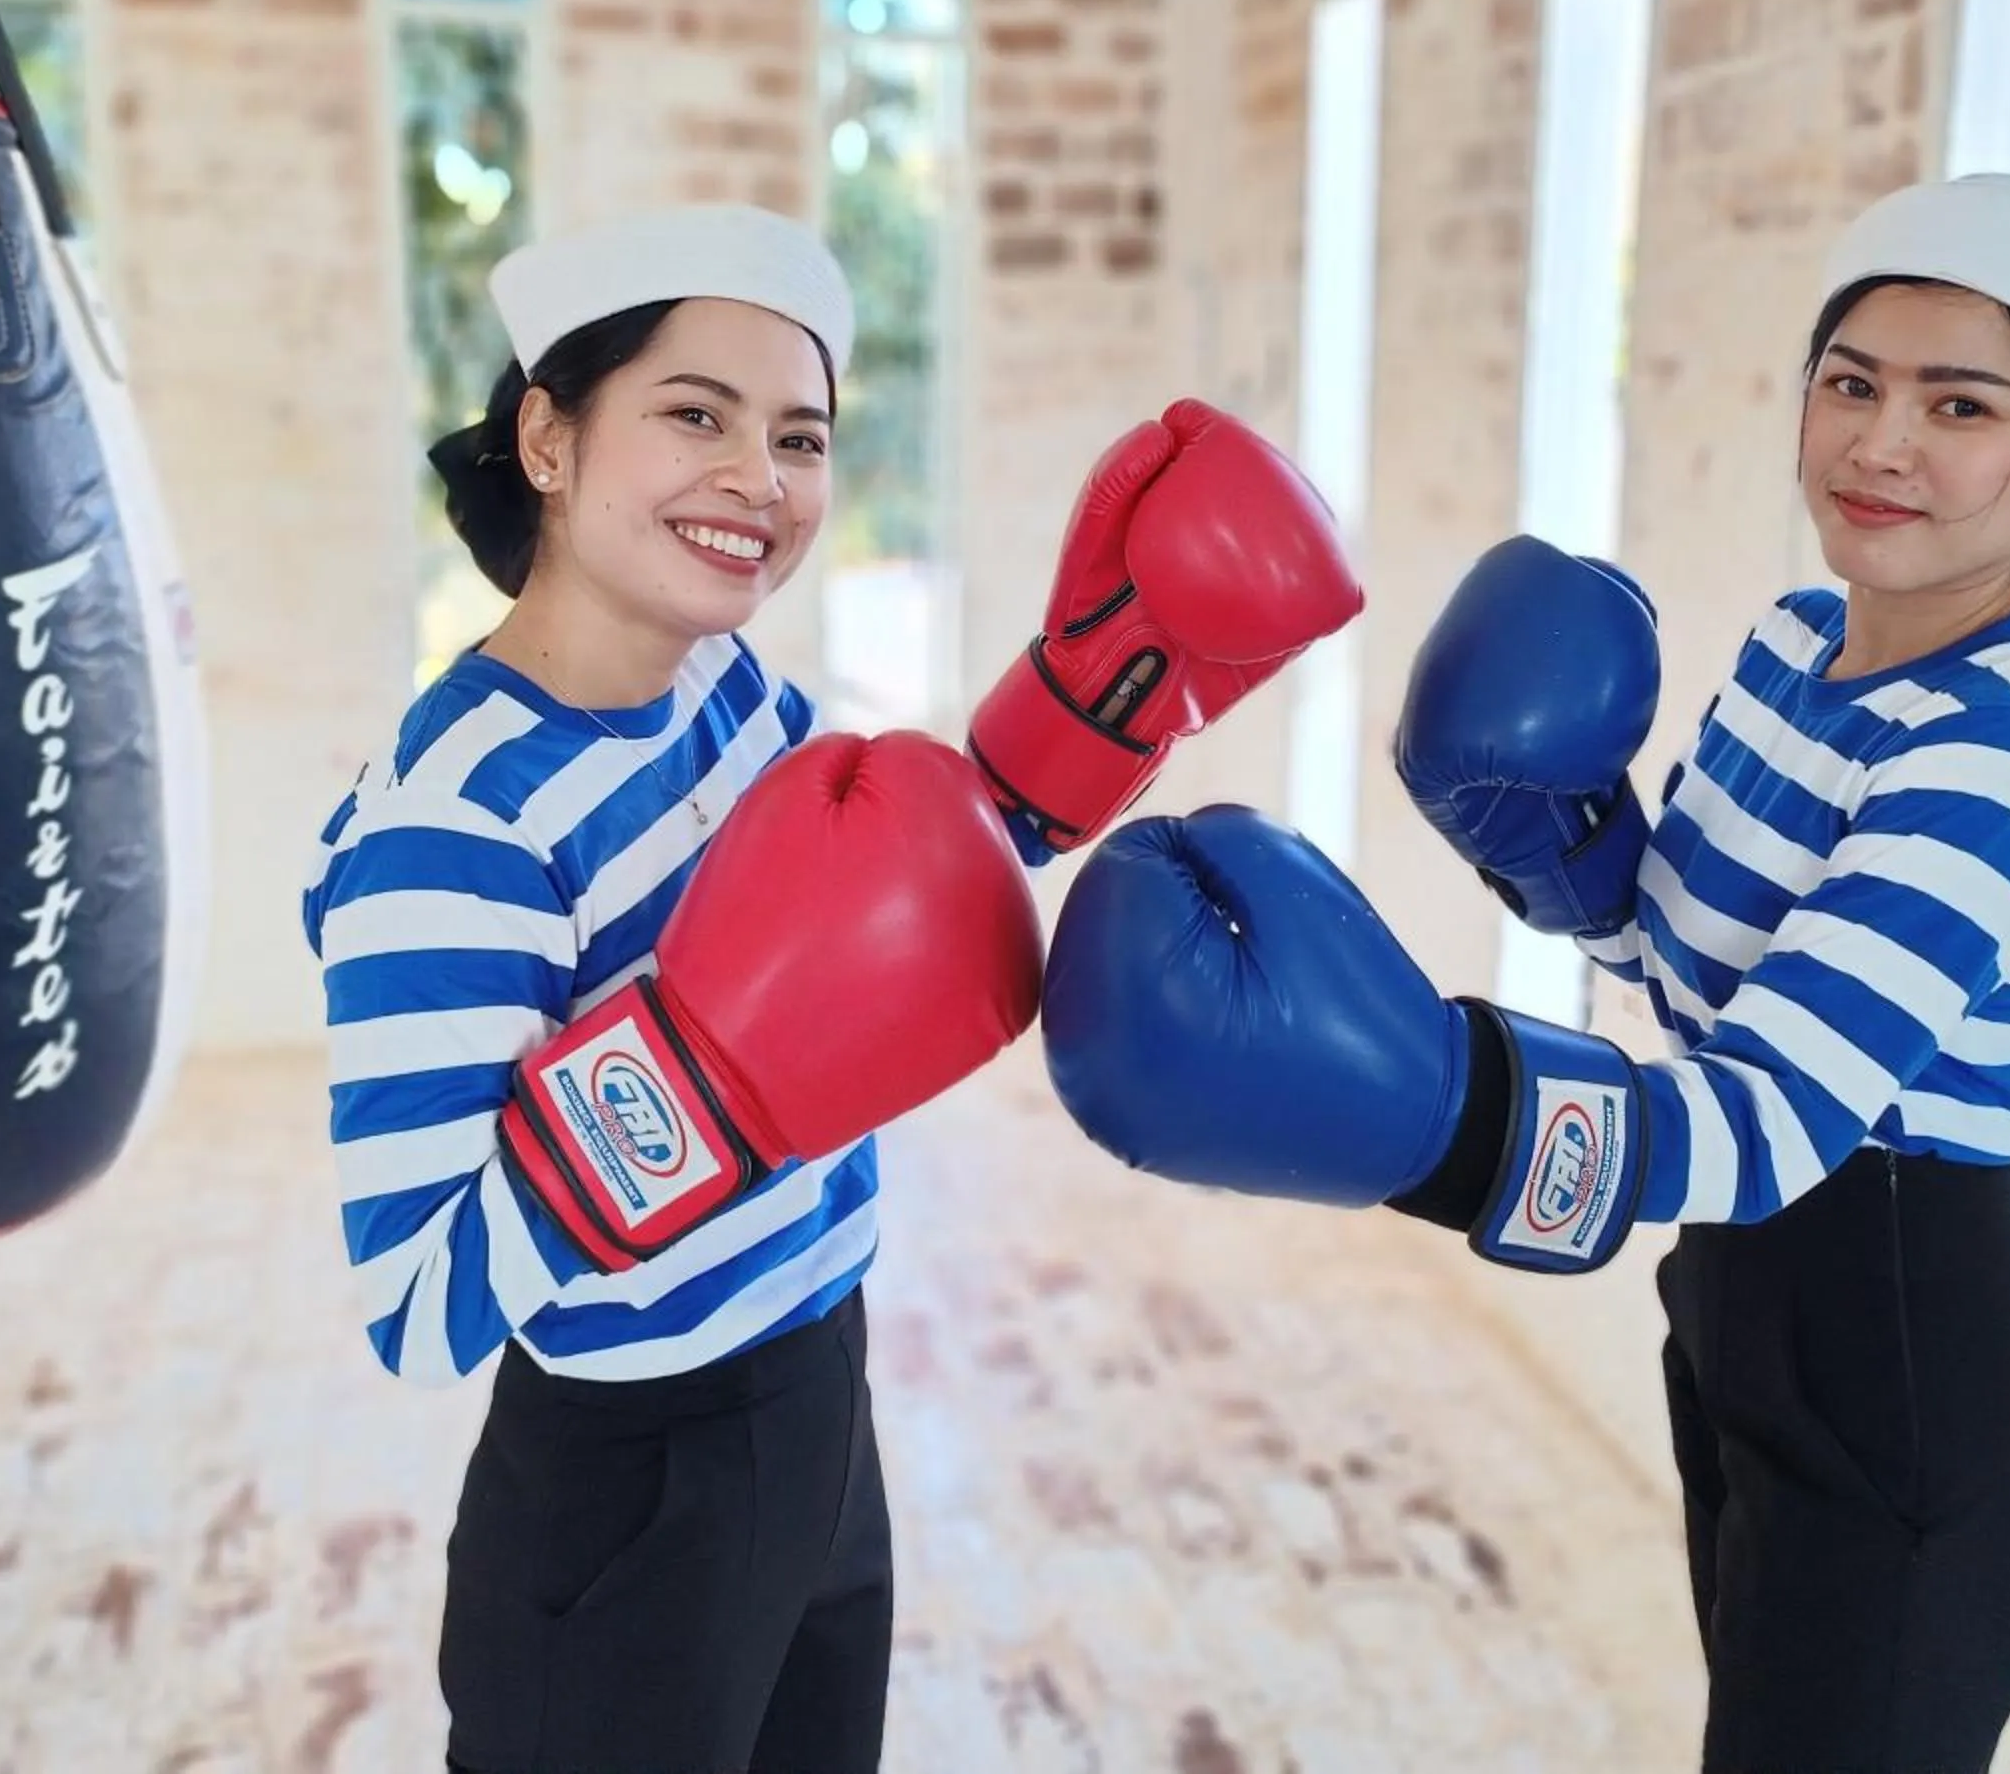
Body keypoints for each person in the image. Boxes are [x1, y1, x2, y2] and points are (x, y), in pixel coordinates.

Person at [1036, 172, 2010, 1774]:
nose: (1882, 442)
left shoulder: (1991, 758)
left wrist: (1431, 1116)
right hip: (1739, 1316)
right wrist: (1556, 837)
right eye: (1852, 382)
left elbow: (1771, 1118)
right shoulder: (1801, 643)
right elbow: (1678, 961)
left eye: (1962, 403)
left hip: (1903, 1363)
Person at [301, 202, 1358, 1774]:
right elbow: (420, 1289)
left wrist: (1116, 684)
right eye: (695, 415)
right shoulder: (450, 820)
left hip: (816, 1384)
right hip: (626, 1481)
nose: (761, 479)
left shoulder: (723, 681)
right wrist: (707, 1075)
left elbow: (894, 889)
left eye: (799, 437)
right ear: (545, 433)